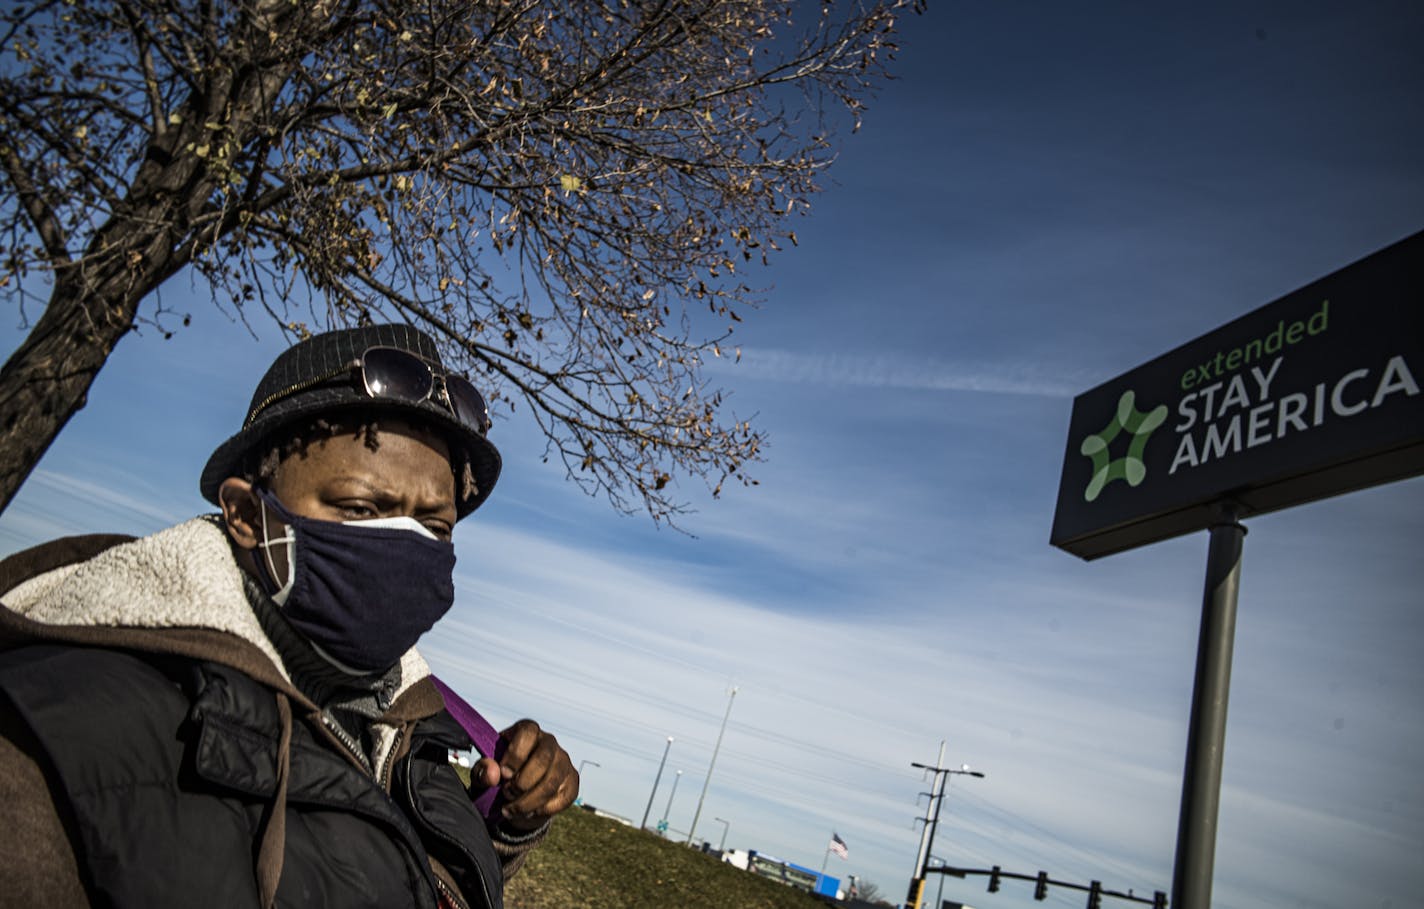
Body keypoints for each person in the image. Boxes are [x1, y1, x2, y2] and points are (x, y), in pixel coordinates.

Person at [0, 323, 578, 907]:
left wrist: (505, 825)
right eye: (359, 507)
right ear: (247, 515)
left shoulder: (406, 725)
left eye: (434, 527)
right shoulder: (49, 743)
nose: (403, 546)